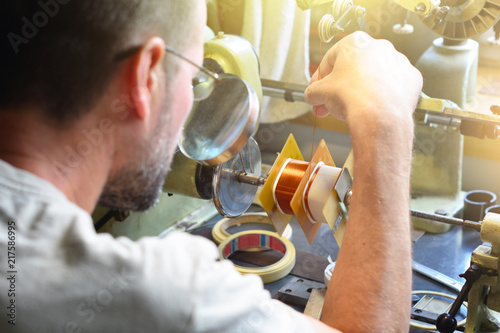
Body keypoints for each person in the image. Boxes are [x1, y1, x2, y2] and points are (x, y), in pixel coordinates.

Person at [0, 0, 422, 332]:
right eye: (193, 78)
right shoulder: (166, 292)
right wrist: (385, 119)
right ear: (146, 76)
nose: (192, 98)